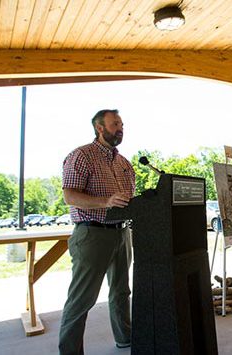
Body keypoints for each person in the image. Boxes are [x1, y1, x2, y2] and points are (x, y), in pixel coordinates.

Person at [59, 109, 136, 354]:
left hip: (122, 234)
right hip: (92, 234)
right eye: (115, 124)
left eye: (121, 123)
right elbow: (69, 196)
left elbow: (129, 199)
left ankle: (125, 338)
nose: (120, 128)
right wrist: (106, 202)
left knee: (121, 292)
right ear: (99, 128)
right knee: (82, 299)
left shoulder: (124, 163)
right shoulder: (81, 156)